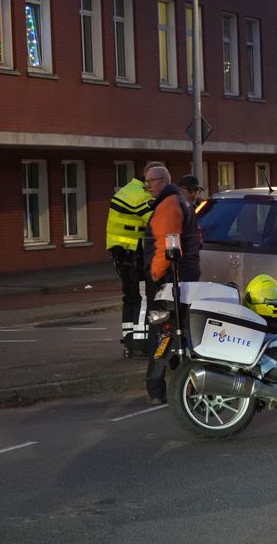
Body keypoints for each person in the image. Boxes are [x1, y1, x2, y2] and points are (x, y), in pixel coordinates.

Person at [142, 165, 201, 404]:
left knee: (162, 333)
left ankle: (158, 388)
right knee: (182, 332)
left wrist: (155, 275)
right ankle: (187, 384)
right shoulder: (179, 203)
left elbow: (166, 245)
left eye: (151, 181)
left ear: (164, 181)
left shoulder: (168, 205)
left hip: (169, 281)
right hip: (183, 277)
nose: (147, 186)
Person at [104, 162, 162, 358]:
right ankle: (140, 343)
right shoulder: (141, 196)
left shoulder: (127, 190)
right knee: (142, 297)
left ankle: (129, 340)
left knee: (130, 297)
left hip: (122, 251)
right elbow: (156, 221)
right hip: (133, 253)